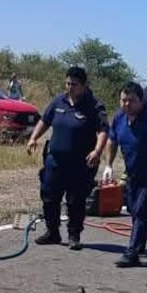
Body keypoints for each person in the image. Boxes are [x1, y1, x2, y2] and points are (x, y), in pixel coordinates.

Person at [26, 66, 108, 250]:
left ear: (84, 85)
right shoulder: (58, 101)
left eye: (74, 84)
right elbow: (45, 121)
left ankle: (74, 234)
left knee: (75, 199)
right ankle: (52, 232)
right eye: (68, 83)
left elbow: (103, 130)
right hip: (55, 160)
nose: (70, 87)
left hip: (80, 163)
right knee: (49, 196)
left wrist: (97, 151)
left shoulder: (94, 105)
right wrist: (33, 138)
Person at [102, 81, 147, 267]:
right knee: (135, 210)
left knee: (142, 211)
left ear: (141, 101)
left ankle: (132, 252)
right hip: (133, 174)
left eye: (131, 101)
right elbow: (112, 140)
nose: (126, 104)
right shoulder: (119, 118)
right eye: (123, 100)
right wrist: (108, 165)